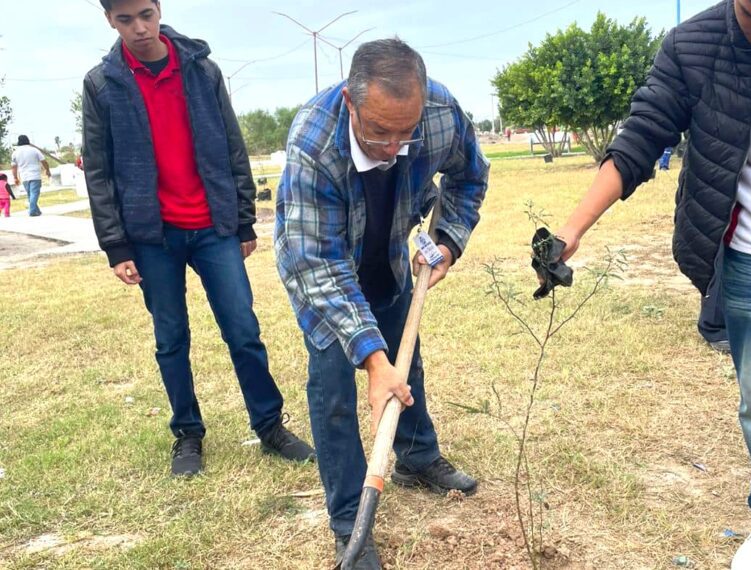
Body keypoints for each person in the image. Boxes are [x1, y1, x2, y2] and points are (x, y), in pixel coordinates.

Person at [555, 0, 751, 569]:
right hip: (750, 257)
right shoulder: (691, 44)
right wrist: (574, 228)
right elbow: (641, 135)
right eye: (750, 16)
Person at [275, 38, 489, 569]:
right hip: (323, 263)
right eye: (378, 131)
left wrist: (449, 240)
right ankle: (351, 520)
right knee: (334, 386)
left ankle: (416, 457)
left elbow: (469, 177)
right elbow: (317, 263)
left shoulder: (438, 113)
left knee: (404, 363)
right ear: (350, 101)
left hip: (390, 250)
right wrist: (370, 360)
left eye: (405, 132)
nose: (394, 146)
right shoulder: (314, 138)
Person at [81, 0, 314, 477]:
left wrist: (244, 219)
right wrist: (116, 246)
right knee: (171, 339)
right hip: (151, 235)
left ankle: (269, 426)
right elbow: (99, 171)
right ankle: (188, 434)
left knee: (243, 331)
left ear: (159, 8)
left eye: (146, 14)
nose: (140, 27)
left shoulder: (201, 70)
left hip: (213, 227)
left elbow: (232, 143)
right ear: (110, 20)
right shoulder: (101, 85)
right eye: (126, 19)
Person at [11, 135, 51, 217]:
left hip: (24, 176)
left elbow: (14, 167)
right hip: (35, 175)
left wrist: (15, 177)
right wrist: (47, 170)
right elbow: (44, 161)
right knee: (34, 193)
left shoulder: (15, 153)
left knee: (30, 194)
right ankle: (32, 210)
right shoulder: (34, 150)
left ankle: (37, 211)